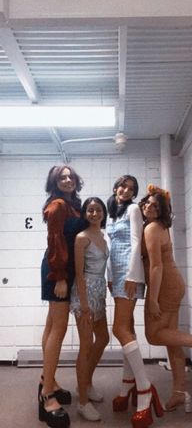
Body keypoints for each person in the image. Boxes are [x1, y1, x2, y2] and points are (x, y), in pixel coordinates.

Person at [139, 184, 192, 413]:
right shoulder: (159, 226)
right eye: (147, 202)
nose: (149, 207)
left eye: (156, 206)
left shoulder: (152, 228)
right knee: (171, 339)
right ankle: (178, 392)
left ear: (162, 211)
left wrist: (153, 299)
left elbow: (156, 267)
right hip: (174, 283)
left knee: (154, 335)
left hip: (165, 285)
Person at [106, 175, 163, 428]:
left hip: (129, 276)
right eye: (123, 186)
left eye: (131, 189)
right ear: (116, 186)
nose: (126, 191)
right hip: (116, 274)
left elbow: (135, 242)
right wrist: (110, 276)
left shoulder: (132, 209)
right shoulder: (113, 212)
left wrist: (130, 276)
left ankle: (144, 388)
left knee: (118, 329)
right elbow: (111, 246)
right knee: (127, 329)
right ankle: (127, 385)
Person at [39, 165, 86, 428]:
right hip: (58, 269)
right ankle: (47, 394)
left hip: (62, 268)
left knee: (51, 326)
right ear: (55, 182)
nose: (67, 180)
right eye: (62, 177)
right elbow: (55, 241)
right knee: (59, 328)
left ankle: (48, 379)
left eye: (70, 176)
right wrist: (59, 276)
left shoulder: (71, 204)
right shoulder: (57, 206)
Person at [70, 197, 110, 422]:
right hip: (83, 292)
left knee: (103, 338)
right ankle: (82, 402)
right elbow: (78, 273)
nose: (94, 213)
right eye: (90, 210)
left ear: (103, 212)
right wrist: (84, 306)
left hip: (100, 291)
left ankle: (85, 383)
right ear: (85, 214)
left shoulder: (104, 236)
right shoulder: (81, 238)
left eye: (97, 210)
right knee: (85, 345)